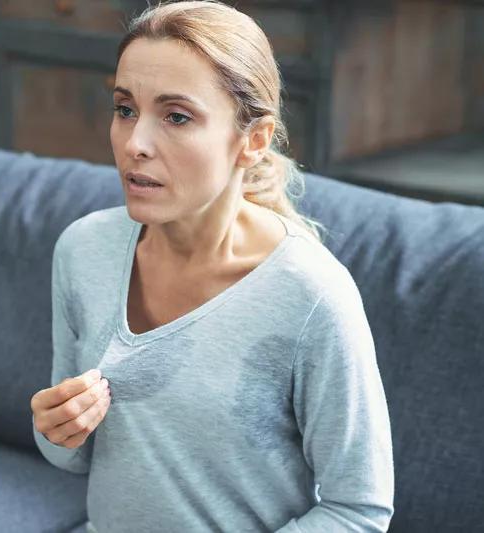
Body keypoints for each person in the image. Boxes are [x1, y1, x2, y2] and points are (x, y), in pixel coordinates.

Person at [31, 1, 394, 531]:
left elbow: (358, 510)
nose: (135, 144)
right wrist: (53, 429)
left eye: (177, 116)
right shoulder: (83, 249)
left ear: (252, 140)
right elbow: (71, 458)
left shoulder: (311, 295)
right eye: (125, 109)